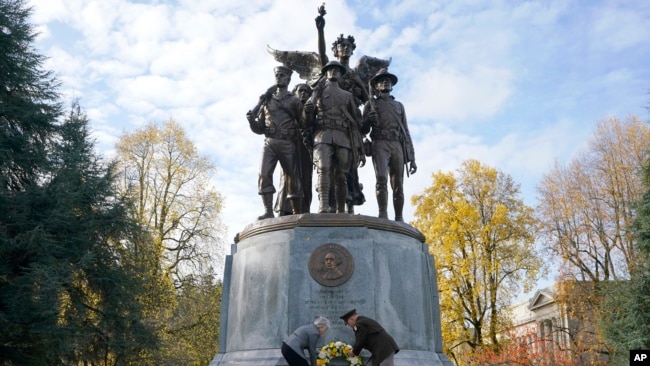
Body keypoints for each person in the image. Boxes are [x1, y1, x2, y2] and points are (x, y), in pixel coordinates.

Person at [304, 60, 365, 214]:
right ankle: (323, 205)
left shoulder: (347, 95)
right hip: (322, 135)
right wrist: (312, 100)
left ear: (340, 74)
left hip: (343, 137)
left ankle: (340, 209)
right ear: (326, 73)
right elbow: (308, 118)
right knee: (323, 169)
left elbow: (355, 123)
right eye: (330, 70)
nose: (333, 72)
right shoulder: (318, 93)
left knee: (341, 175)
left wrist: (360, 148)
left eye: (336, 70)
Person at [247, 65, 305, 220]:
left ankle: (296, 212)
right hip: (269, 143)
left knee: (292, 177)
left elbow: (304, 123)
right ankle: (268, 211)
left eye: (282, 75)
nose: (279, 77)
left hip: (287, 143)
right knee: (263, 173)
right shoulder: (267, 101)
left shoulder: (294, 101)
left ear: (288, 79)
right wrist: (251, 121)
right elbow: (260, 128)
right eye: (277, 75)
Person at [362, 69, 416, 221]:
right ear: (376, 86)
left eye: (388, 80)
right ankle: (383, 214)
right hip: (379, 143)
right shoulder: (370, 104)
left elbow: (406, 131)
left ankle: (399, 217)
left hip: (396, 144)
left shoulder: (399, 105)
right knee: (381, 179)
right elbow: (362, 130)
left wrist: (411, 157)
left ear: (392, 85)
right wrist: (368, 120)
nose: (385, 82)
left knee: (398, 182)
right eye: (381, 80)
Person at [275, 83, 314, 216]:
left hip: (307, 149)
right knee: (287, 177)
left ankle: (304, 208)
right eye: (300, 91)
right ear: (295, 94)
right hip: (290, 145)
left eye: (306, 91)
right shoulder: (289, 108)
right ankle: (284, 209)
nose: (303, 94)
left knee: (306, 178)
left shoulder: (313, 109)